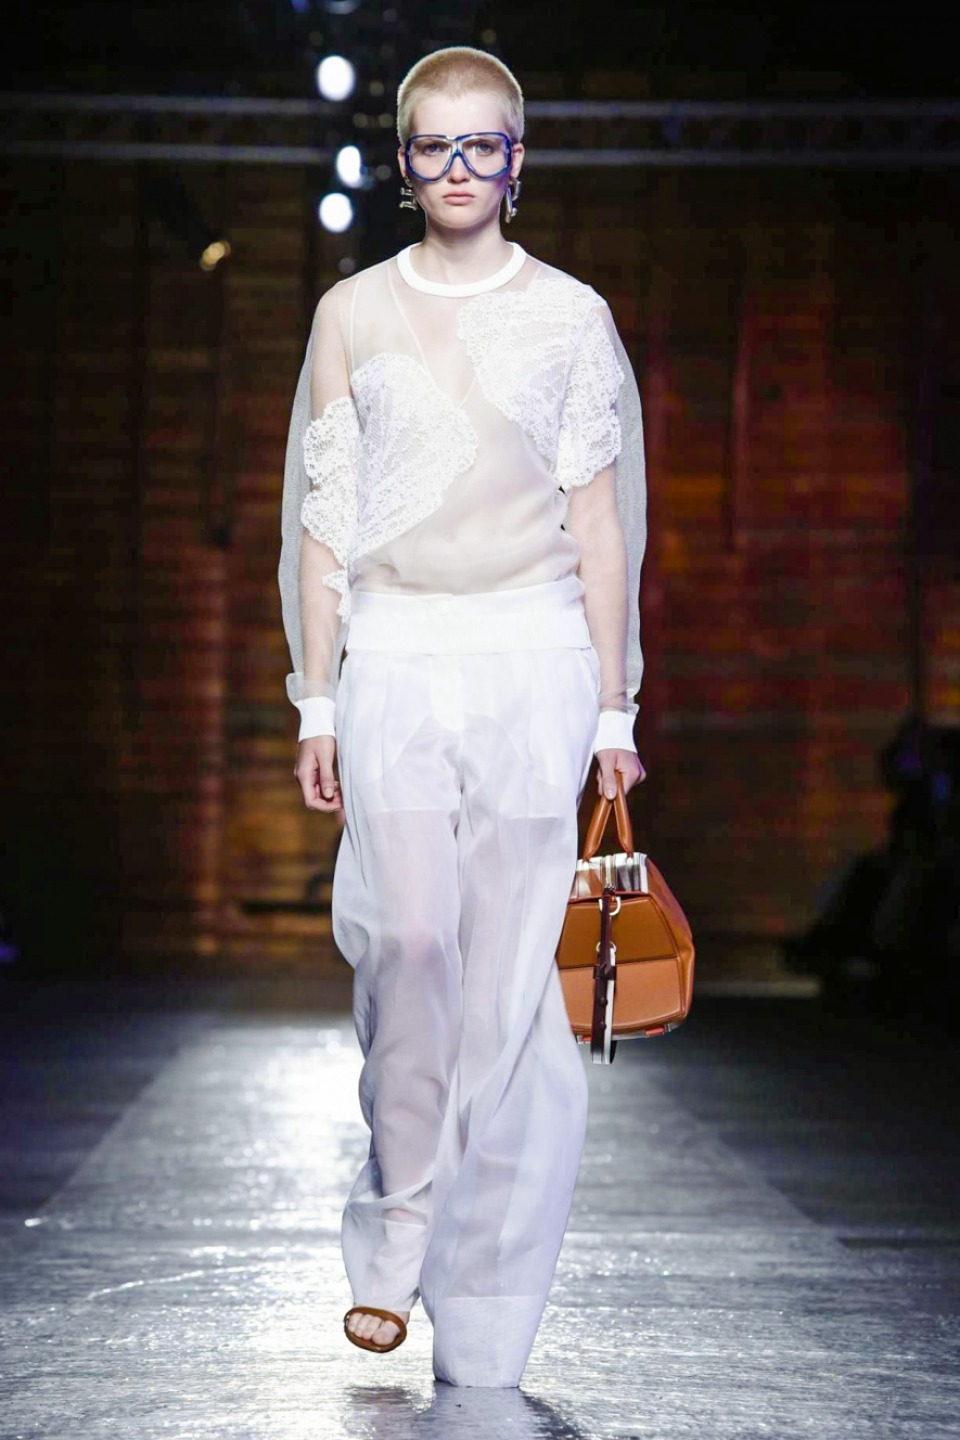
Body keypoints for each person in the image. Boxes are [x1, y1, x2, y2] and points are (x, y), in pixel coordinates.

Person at [278, 44, 647, 1388]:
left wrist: (615, 707)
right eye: (433, 145)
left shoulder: (572, 316)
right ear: (402, 159)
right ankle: (398, 1222)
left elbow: (603, 528)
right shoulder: (352, 313)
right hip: (395, 651)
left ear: (516, 159)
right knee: (413, 946)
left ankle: (482, 1294)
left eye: (480, 145)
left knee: (507, 988)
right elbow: (322, 522)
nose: (456, 168)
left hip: (535, 656)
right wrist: (317, 694)